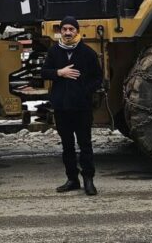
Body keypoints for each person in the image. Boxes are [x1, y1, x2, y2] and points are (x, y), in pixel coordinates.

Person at [41, 16, 103, 196]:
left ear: (77, 31)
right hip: (62, 107)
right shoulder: (54, 52)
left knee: (85, 145)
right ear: (60, 31)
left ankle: (89, 180)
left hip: (82, 107)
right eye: (65, 29)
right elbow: (44, 72)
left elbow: (98, 78)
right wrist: (60, 72)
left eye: (71, 29)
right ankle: (72, 179)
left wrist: (85, 90)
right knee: (67, 146)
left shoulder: (87, 53)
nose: (68, 32)